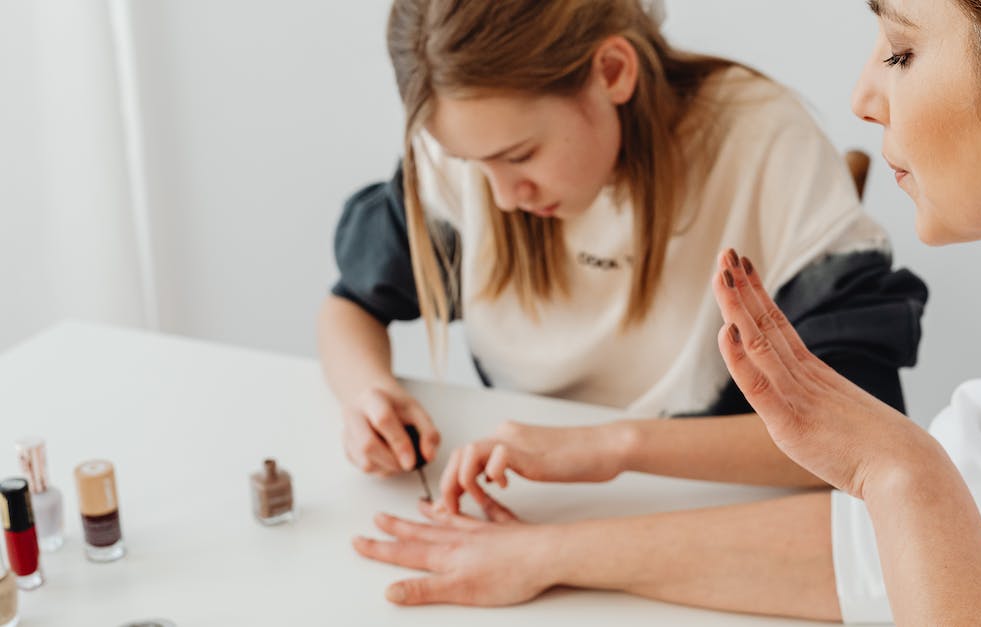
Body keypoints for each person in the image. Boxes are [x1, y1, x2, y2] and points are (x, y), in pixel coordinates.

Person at [353, 0, 981, 624]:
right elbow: (882, 556)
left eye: (900, 50)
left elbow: (921, 517)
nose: (863, 97)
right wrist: (547, 556)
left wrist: (897, 471)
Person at [317, 0, 927, 490]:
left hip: (712, 507)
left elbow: (863, 430)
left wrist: (614, 447)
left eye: (520, 155)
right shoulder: (470, 155)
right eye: (475, 164)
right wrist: (368, 394)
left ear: (612, 72)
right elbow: (351, 305)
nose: (502, 196)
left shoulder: (761, 145)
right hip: (533, 497)